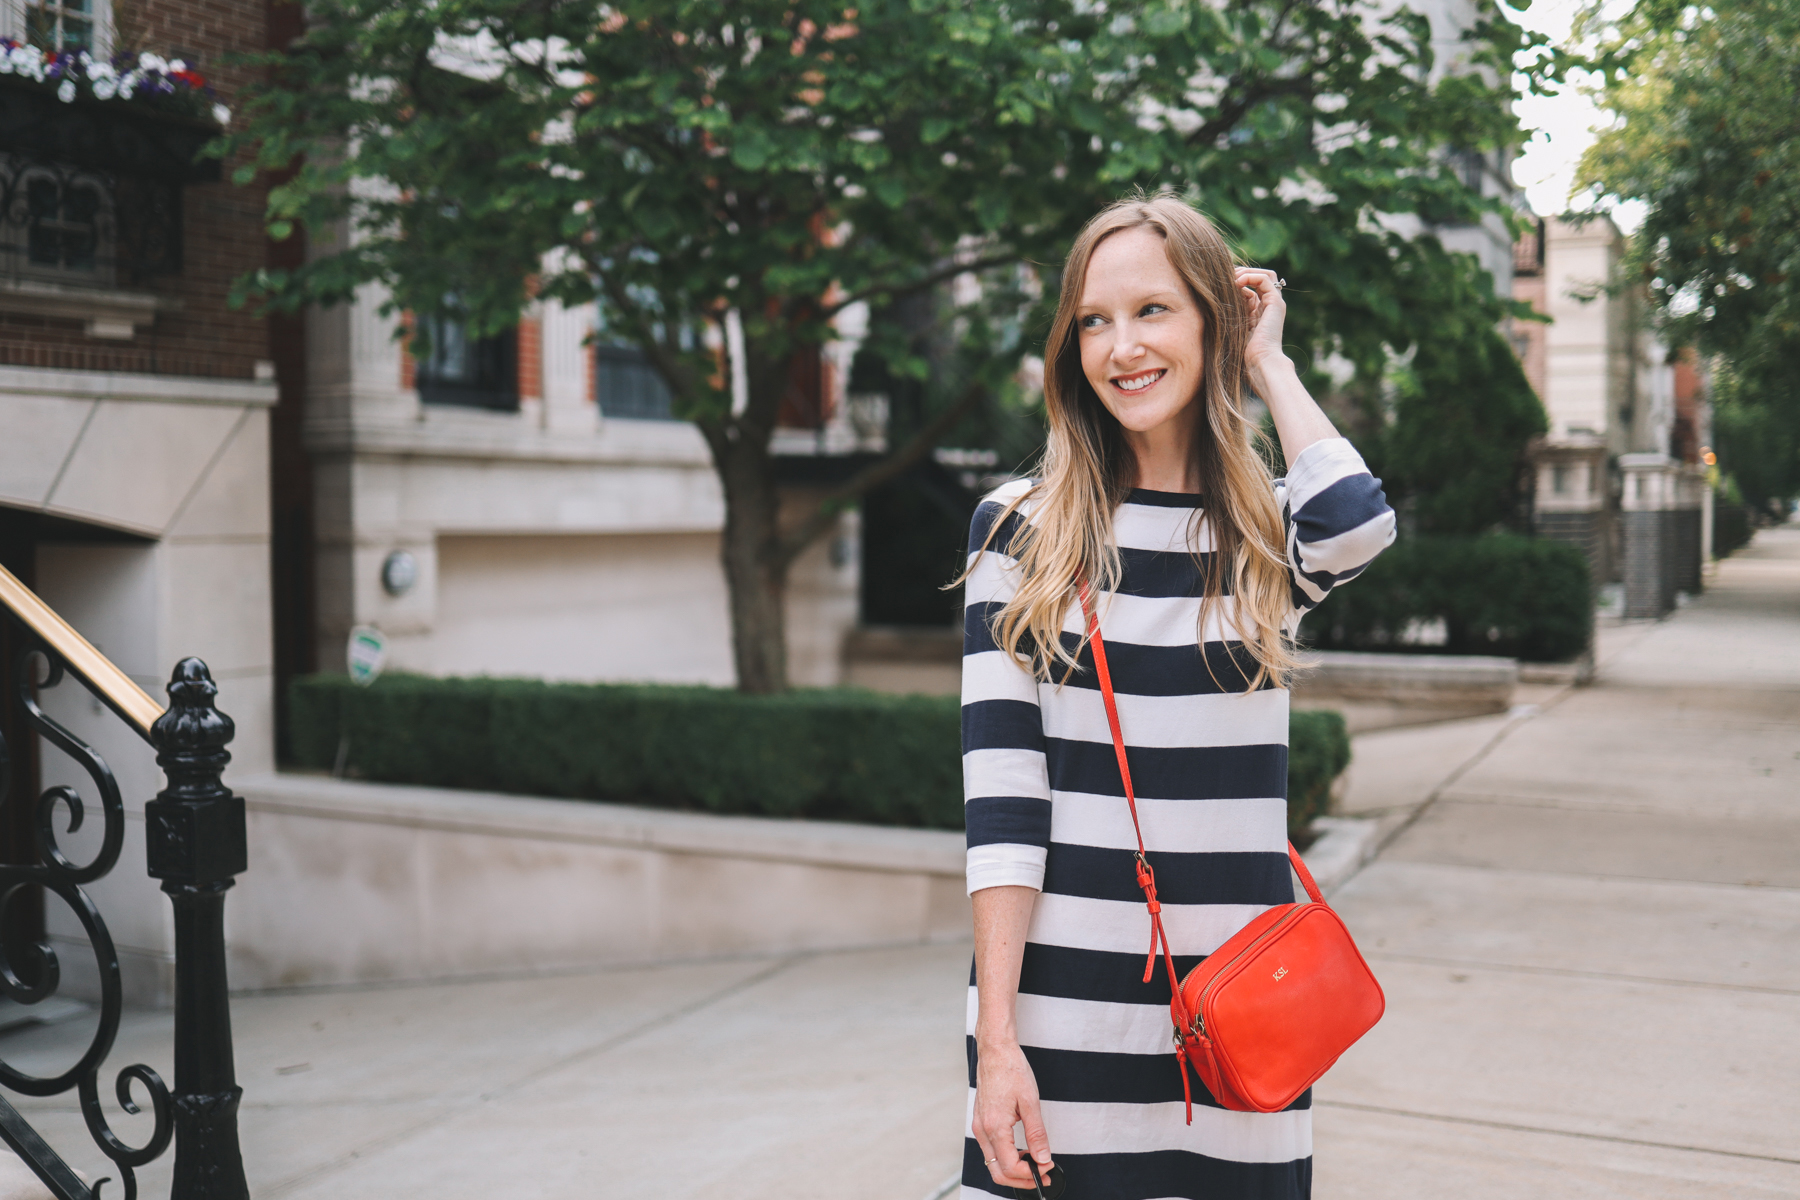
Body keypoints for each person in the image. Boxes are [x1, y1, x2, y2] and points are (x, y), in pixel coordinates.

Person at [958, 191, 1396, 1199]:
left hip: (1245, 1016)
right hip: (1062, 1016)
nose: (1122, 347)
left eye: (1154, 310)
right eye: (1094, 321)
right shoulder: (1017, 530)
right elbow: (1005, 809)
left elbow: (1359, 521)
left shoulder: (1262, 539)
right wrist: (997, 1048)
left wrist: (1269, 362)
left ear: (1212, 318)